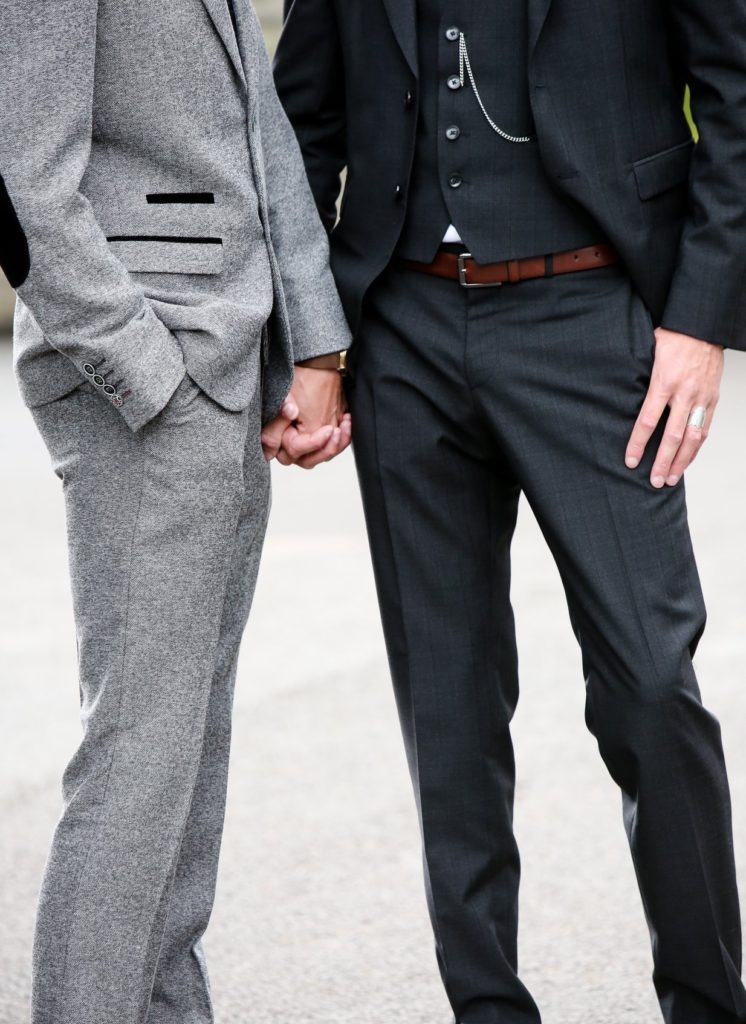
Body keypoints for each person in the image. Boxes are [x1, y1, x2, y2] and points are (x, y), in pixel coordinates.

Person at [273, 0, 746, 1021]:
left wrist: (697, 317)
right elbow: (301, 118)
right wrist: (310, 344)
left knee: (651, 682)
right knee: (447, 707)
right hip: (403, 327)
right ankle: (486, 1008)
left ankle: (708, 1003)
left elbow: (734, 89)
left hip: (591, 315)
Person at [0, 1, 351, 1021]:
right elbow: (21, 174)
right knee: (138, 759)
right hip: (149, 370)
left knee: (185, 757)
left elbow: (257, 128)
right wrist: (145, 371)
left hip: (221, 354)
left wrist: (312, 345)